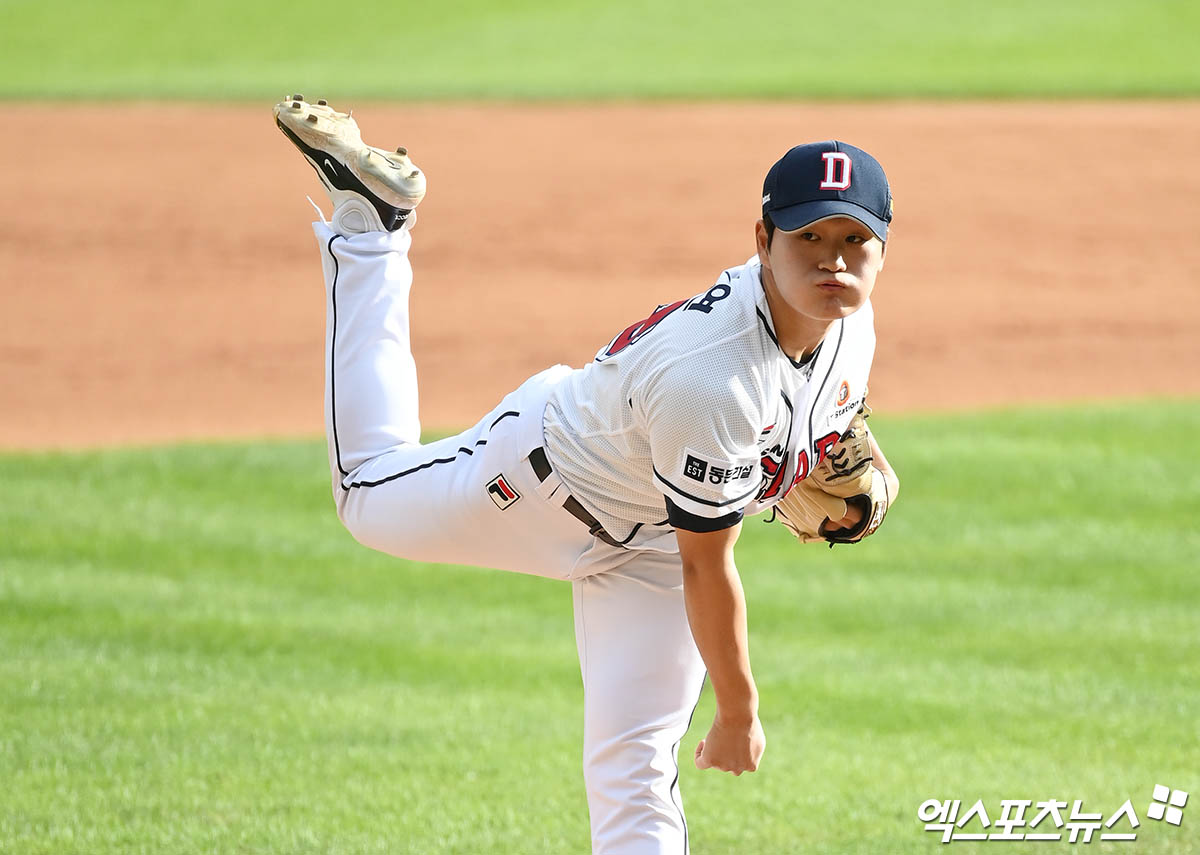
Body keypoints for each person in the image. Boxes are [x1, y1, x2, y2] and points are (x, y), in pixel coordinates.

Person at [272, 94, 901, 855]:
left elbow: (817, 414)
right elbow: (710, 565)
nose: (833, 259)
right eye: (810, 237)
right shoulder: (713, 376)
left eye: (854, 239)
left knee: (635, 771)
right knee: (367, 495)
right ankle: (372, 232)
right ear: (762, 239)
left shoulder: (850, 323)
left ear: (882, 251)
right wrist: (737, 710)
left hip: (654, 542)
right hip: (540, 486)